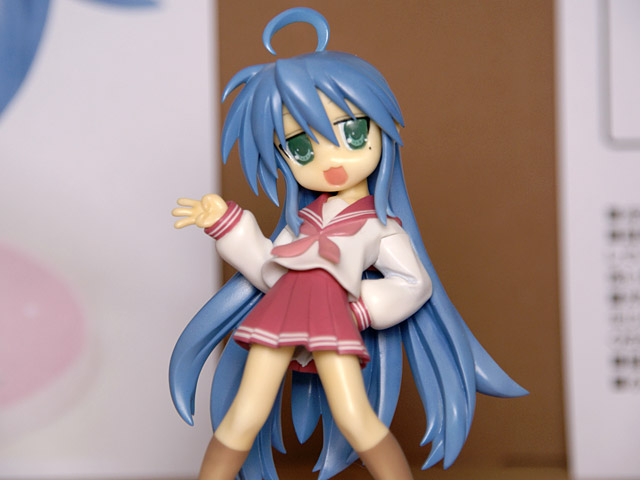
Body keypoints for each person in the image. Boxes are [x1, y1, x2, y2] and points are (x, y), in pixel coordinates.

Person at [170, 8, 526, 480]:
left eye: (352, 133)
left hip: (334, 318)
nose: (331, 159)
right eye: (302, 147)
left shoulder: (379, 227)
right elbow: (268, 268)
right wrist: (225, 224)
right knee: (244, 416)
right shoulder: (302, 223)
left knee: (356, 419)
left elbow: (413, 284)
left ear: (381, 129)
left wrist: (358, 309)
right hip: (279, 314)